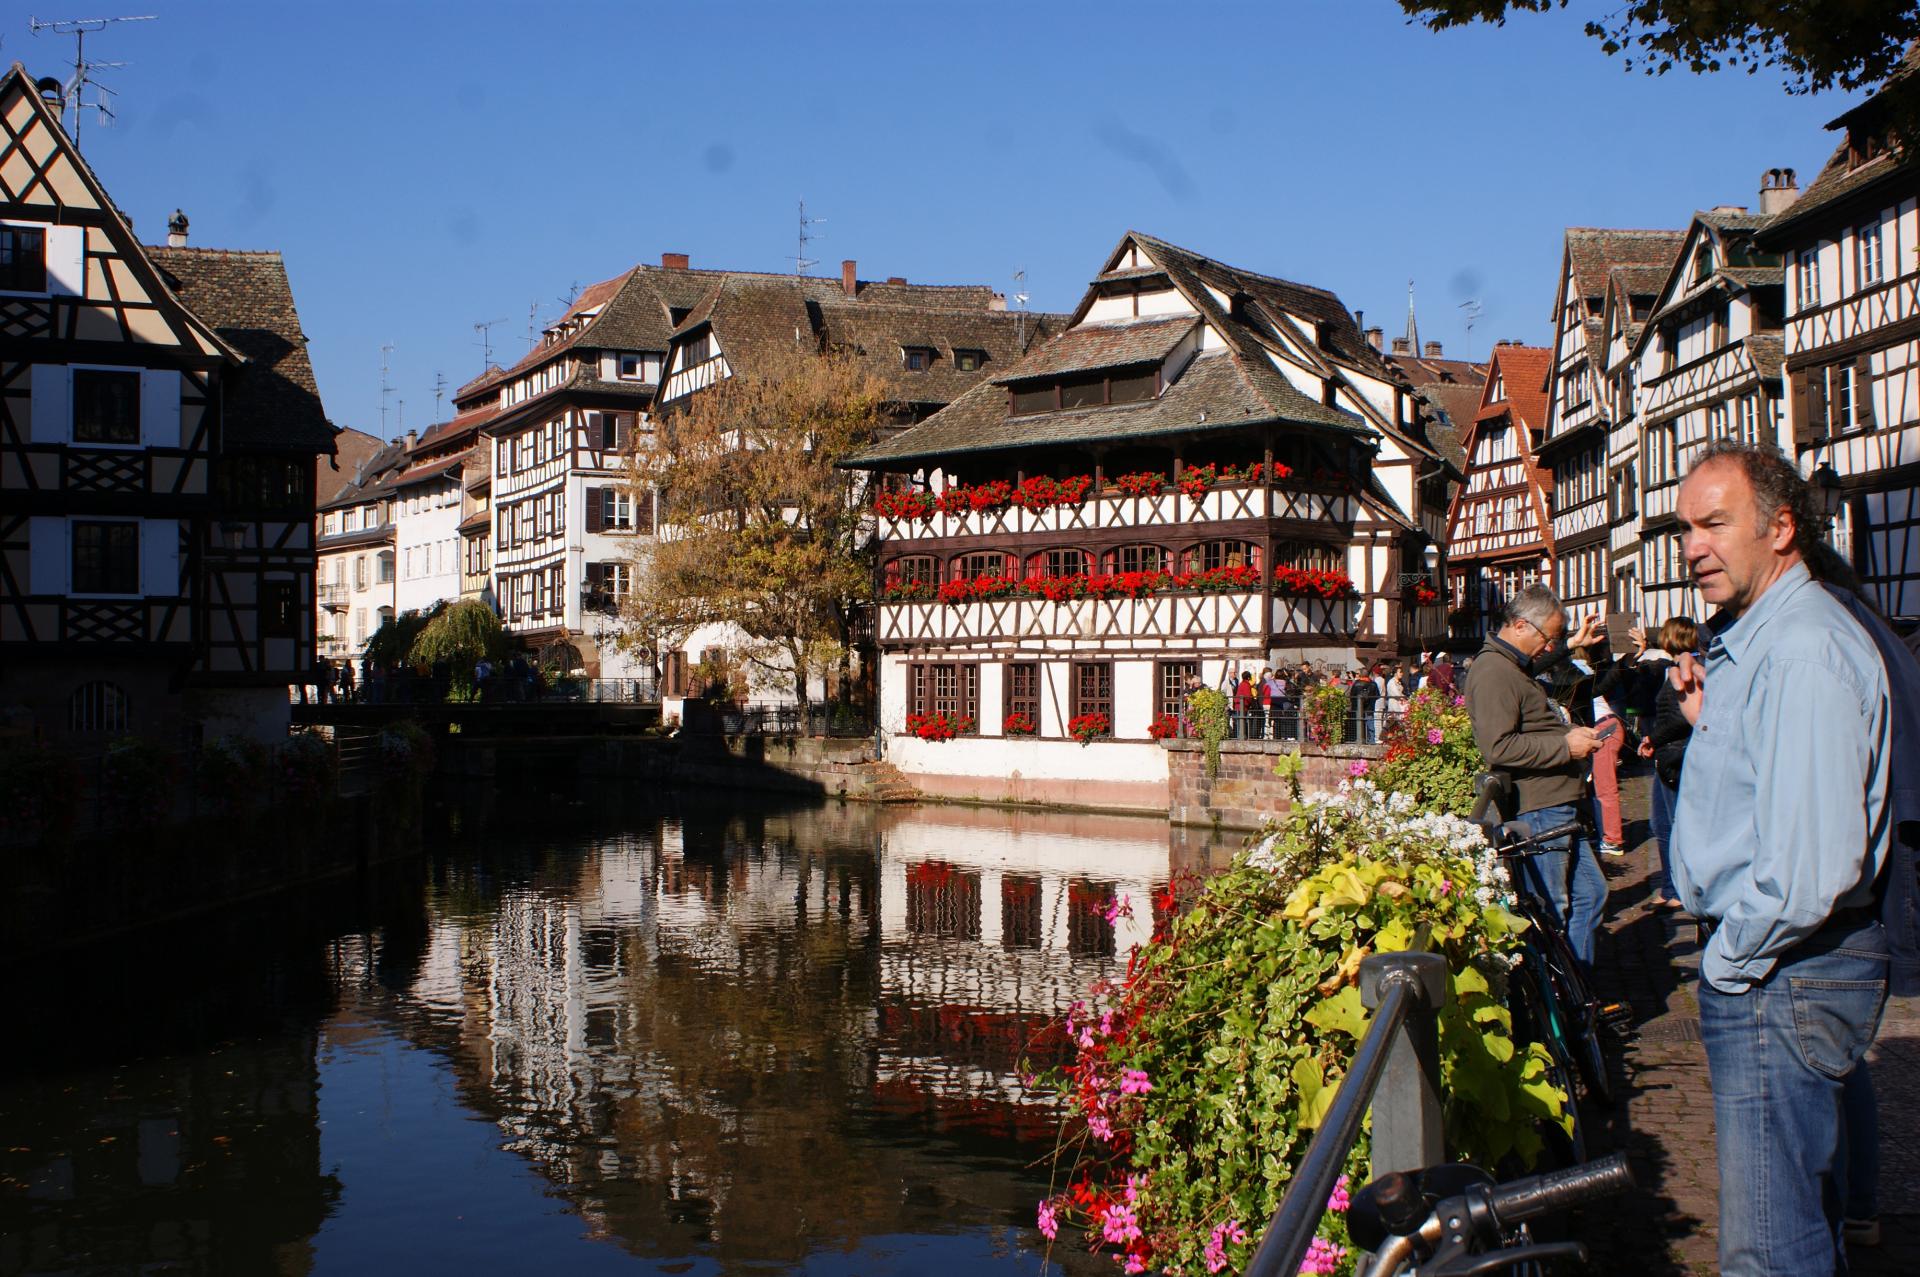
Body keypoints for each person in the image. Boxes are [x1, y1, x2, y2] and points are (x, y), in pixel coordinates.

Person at [1665, 440, 1912, 1277]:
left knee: (1770, 1248)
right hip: (1783, 963)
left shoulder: (1803, 648)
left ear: (1779, 528)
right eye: (1684, 528)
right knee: (1802, 1223)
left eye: (1713, 523)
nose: (1693, 545)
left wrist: (1729, 959)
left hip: (1782, 967)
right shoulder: (1766, 639)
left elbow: (1811, 866)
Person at [1463, 583, 1608, 965]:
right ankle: (1564, 1011)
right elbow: (1499, 747)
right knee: (1552, 910)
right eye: (1549, 637)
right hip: (1541, 808)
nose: (1550, 646)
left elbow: (1530, 701)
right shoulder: (1493, 671)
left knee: (1591, 897)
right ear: (1522, 626)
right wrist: (1566, 746)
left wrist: (1569, 735)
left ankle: (1578, 991)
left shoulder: (1509, 664)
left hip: (1555, 803)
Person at [1634, 616, 1696, 913]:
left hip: (1674, 756)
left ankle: (1679, 889)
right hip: (1668, 755)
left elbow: (1678, 719)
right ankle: (1670, 887)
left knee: (1671, 824)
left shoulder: (1684, 672)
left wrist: (1652, 740)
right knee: (1660, 822)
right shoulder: (1671, 668)